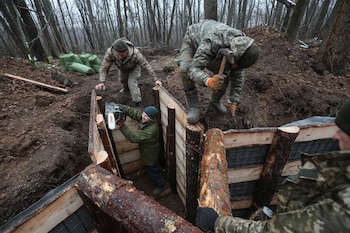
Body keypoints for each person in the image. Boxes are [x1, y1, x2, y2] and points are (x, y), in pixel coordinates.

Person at [196, 98, 350, 232]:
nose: (335, 135)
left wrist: (217, 222)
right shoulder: (338, 173)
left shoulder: (344, 208)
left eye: (343, 131)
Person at [177, 19, 260, 124]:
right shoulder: (212, 39)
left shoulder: (241, 47)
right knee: (185, 69)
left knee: (223, 77)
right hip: (193, 39)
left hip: (217, 52)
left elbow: (238, 77)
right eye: (235, 63)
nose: (234, 66)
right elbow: (194, 69)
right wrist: (208, 81)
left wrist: (234, 101)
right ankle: (193, 107)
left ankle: (215, 101)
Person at [116, 104, 167, 196]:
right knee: (152, 167)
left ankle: (161, 184)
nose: (143, 116)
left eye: (146, 116)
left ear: (151, 118)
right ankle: (158, 176)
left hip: (150, 153)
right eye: (144, 114)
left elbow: (133, 137)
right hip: (147, 151)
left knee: (153, 169)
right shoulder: (146, 119)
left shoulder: (151, 130)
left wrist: (121, 125)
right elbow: (135, 113)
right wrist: (121, 107)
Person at [95, 38, 162, 107]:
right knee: (122, 80)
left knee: (132, 84)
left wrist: (155, 79)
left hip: (134, 68)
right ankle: (126, 89)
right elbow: (104, 67)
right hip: (122, 69)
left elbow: (146, 66)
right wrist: (102, 81)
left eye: (123, 55)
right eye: (119, 55)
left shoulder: (135, 54)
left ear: (127, 51)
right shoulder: (110, 53)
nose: (120, 57)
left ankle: (138, 103)